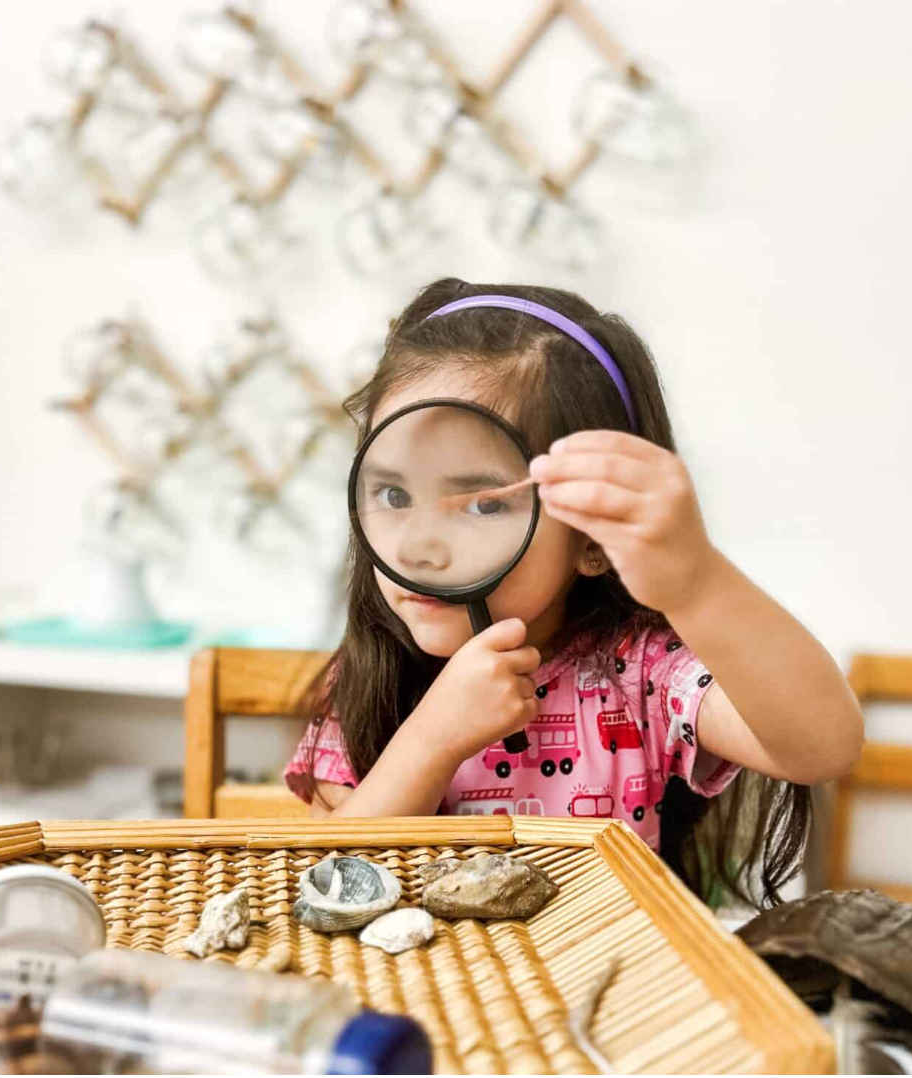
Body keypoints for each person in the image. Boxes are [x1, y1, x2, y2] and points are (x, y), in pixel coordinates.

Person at [285, 278, 863, 906]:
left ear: (591, 536)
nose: (418, 547)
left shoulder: (639, 672)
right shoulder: (371, 676)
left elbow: (822, 746)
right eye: (394, 494)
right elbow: (329, 884)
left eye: (483, 504)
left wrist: (697, 582)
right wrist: (432, 740)